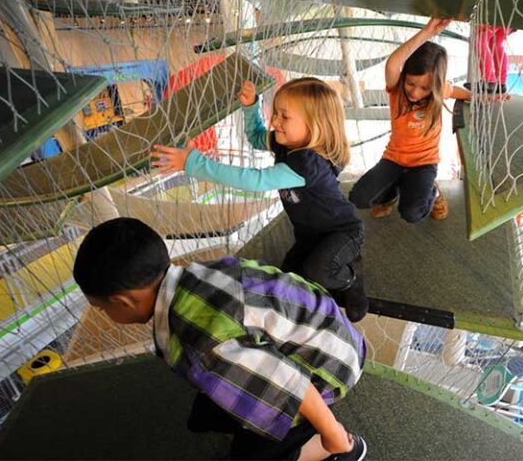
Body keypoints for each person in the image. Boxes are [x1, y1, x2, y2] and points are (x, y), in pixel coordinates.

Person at [72, 217, 368, 461]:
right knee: (205, 413)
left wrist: (335, 438)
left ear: (122, 301)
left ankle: (333, 451)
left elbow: (289, 384)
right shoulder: (196, 275)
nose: (103, 313)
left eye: (101, 308)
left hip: (328, 369)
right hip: (327, 335)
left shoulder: (203, 342)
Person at [150, 77, 368, 322]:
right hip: (309, 236)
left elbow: (255, 181)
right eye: (275, 113)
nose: (274, 121)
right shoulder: (289, 144)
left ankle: (351, 279)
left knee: (316, 271)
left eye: (284, 117)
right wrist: (251, 106)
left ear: (315, 124)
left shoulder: (308, 164)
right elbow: (255, 136)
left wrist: (194, 164)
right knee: (289, 277)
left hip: (342, 232)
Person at [348, 17, 472, 223]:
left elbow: (464, 94)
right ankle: (390, 194)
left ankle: (433, 191)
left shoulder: (440, 92)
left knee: (412, 214)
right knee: (359, 198)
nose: (415, 92)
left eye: (424, 88)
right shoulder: (397, 91)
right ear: (404, 77)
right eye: (411, 83)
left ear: (435, 87)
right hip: (394, 159)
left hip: (424, 163)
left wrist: (486, 98)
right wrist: (426, 33)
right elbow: (392, 65)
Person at [475, 24, 515, 94]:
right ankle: (501, 84)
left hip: (499, 17)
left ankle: (489, 81)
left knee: (480, 41)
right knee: (496, 43)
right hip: (511, 18)